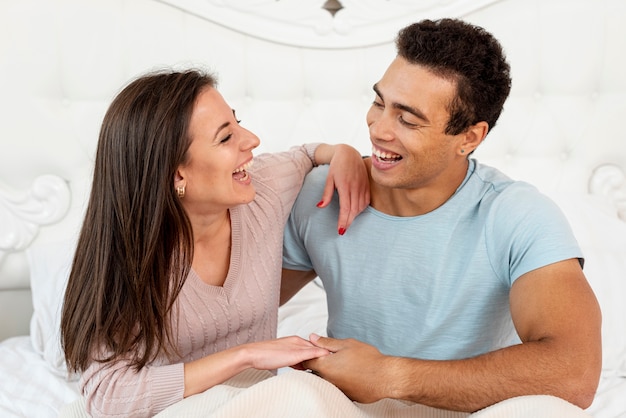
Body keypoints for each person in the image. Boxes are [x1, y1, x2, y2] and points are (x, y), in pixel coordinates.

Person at [281, 18, 602, 413]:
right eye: (380, 103)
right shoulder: (324, 191)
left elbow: (574, 373)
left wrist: (390, 376)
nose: (378, 130)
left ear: (469, 138)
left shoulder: (515, 214)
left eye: (408, 119)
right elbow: (227, 314)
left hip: (468, 407)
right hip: (344, 407)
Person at [60, 68, 369, 417]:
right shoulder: (130, 261)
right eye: (226, 138)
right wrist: (246, 356)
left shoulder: (261, 189)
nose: (251, 140)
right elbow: (110, 397)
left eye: (238, 123)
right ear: (178, 174)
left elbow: (305, 155)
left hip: (264, 403)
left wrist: (342, 152)